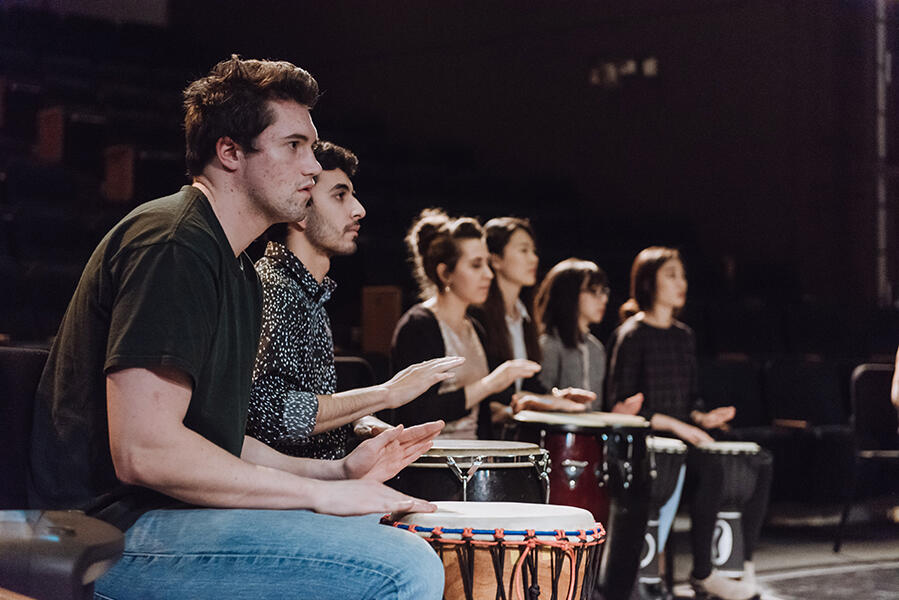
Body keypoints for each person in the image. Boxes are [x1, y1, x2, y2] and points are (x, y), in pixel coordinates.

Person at [27, 56, 445, 600]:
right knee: (401, 567)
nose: (313, 167)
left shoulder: (240, 269)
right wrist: (313, 496)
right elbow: (145, 451)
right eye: (294, 146)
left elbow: (215, 441)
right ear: (229, 152)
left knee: (378, 532)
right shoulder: (174, 244)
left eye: (312, 148)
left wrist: (337, 474)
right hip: (102, 532)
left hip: (160, 517)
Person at [249, 140, 463, 459]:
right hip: (290, 497)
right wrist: (385, 393)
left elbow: (308, 407)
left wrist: (361, 423)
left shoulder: (305, 290)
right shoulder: (277, 287)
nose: (358, 209)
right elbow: (273, 414)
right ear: (298, 211)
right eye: (340, 195)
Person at [606, 246, 771, 600]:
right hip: (648, 441)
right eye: (671, 275)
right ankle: (701, 573)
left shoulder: (684, 336)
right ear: (648, 282)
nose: (681, 283)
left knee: (757, 459)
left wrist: (702, 417)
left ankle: (737, 564)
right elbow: (621, 406)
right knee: (710, 466)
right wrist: (679, 426)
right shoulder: (632, 334)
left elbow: (690, 399)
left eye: (682, 275)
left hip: (683, 435)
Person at [390, 209, 541, 439]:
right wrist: (490, 384)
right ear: (445, 273)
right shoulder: (419, 326)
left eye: (487, 264)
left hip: (472, 460)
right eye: (476, 265)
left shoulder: (474, 328)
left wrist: (508, 409)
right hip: (430, 463)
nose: (489, 275)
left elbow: (478, 413)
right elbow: (418, 413)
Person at [473, 218, 592, 438]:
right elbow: (493, 395)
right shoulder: (478, 316)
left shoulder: (524, 317)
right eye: (523, 250)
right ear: (496, 259)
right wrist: (545, 402)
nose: (533, 258)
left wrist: (556, 397)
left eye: (534, 251)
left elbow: (527, 385)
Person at [532, 257, 643, 415]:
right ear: (569, 293)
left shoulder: (596, 348)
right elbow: (537, 403)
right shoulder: (549, 345)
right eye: (593, 291)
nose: (603, 299)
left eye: (604, 291)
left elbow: (594, 410)